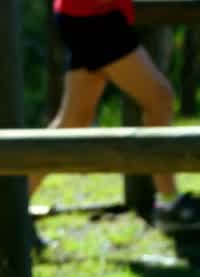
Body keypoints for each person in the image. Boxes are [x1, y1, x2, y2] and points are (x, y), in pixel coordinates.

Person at [35, 0, 200, 235]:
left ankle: (12, 205)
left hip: (84, 14)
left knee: (74, 121)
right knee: (159, 98)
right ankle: (169, 203)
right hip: (94, 17)